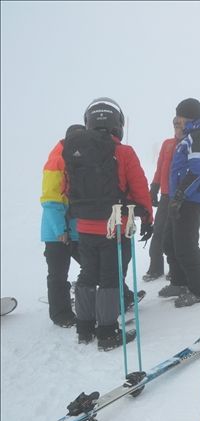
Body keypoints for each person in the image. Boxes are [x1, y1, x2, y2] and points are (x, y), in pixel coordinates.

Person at [65, 97, 153, 350]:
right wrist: (147, 217)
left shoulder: (76, 150)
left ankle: (84, 328)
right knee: (111, 277)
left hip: (84, 226)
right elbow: (139, 188)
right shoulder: (124, 152)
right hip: (115, 227)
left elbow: (66, 187)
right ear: (117, 124)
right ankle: (106, 332)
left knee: (87, 272)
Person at [158, 98, 200, 308]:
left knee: (185, 245)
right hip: (183, 197)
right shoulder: (192, 134)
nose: (176, 121)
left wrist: (180, 195)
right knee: (169, 241)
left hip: (192, 198)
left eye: (179, 117)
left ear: (189, 116)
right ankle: (180, 282)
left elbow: (198, 170)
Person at [40, 124, 85, 328]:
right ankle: (60, 314)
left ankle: (93, 300)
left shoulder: (82, 157)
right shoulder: (57, 160)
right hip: (57, 232)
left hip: (78, 229)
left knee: (94, 265)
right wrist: (61, 230)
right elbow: (51, 200)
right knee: (58, 274)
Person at [142, 117, 185, 282]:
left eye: (180, 124)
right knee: (159, 231)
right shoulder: (168, 144)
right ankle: (155, 267)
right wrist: (154, 188)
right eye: (175, 124)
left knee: (176, 233)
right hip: (166, 195)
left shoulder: (189, 143)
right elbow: (160, 167)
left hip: (182, 196)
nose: (176, 127)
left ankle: (176, 269)